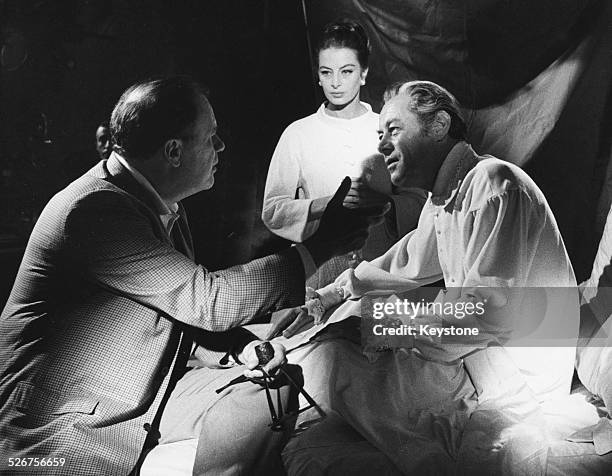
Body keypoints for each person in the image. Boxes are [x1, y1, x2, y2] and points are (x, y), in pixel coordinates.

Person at [0, 76, 384, 475]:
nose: (221, 147)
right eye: (211, 137)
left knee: (275, 382)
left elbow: (174, 310)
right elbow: (205, 301)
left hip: (142, 395)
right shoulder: (93, 210)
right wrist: (321, 246)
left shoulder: (160, 204)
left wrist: (241, 349)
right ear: (173, 151)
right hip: (60, 425)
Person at [272, 80, 580, 474]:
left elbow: (483, 315)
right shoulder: (448, 196)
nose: (382, 145)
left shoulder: (492, 183)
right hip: (483, 356)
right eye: (379, 134)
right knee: (329, 348)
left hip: (517, 376)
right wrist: (327, 297)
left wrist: (378, 322)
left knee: (335, 362)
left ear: (438, 126)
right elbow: (403, 261)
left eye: (394, 130)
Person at [262, 20, 426, 288]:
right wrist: (325, 204)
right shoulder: (298, 133)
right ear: (318, 75)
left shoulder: (387, 127)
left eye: (346, 71)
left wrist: (384, 204)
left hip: (383, 267)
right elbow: (273, 210)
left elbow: (420, 201)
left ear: (363, 73)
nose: (335, 83)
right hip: (321, 270)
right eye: (327, 73)